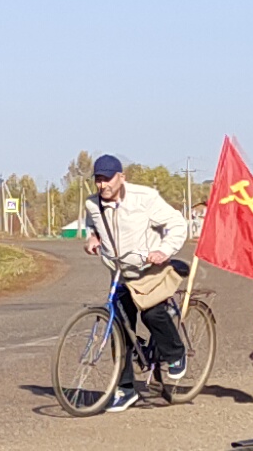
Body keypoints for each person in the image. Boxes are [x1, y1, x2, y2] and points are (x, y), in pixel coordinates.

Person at [79, 153, 195, 386]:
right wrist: (92, 237)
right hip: (120, 273)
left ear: (121, 177)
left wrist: (164, 250)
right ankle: (125, 389)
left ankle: (175, 353)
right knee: (120, 328)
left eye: (108, 179)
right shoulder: (93, 204)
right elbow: (95, 225)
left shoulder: (144, 198)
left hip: (149, 270)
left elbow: (176, 223)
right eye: (99, 179)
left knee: (152, 313)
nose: (103, 185)